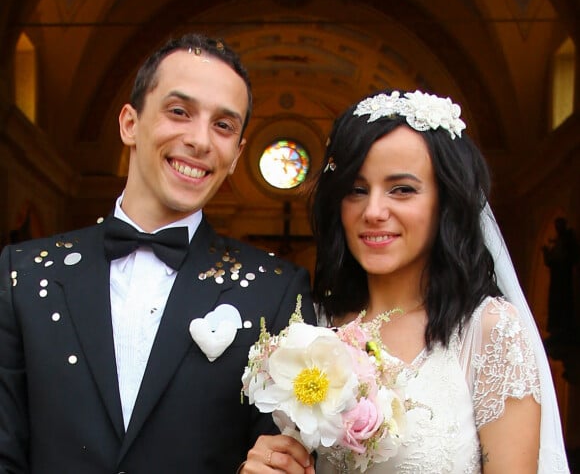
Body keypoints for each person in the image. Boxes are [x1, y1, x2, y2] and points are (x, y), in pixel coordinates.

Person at [0, 33, 316, 473]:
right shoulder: (23, 275)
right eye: (179, 112)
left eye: (223, 125)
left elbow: (282, 455)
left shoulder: (278, 291)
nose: (201, 140)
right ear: (129, 123)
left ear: (237, 153)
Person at [308, 89, 569, 473]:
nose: (374, 211)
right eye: (356, 190)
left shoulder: (489, 331)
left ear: (445, 201)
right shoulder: (312, 327)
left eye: (402, 190)